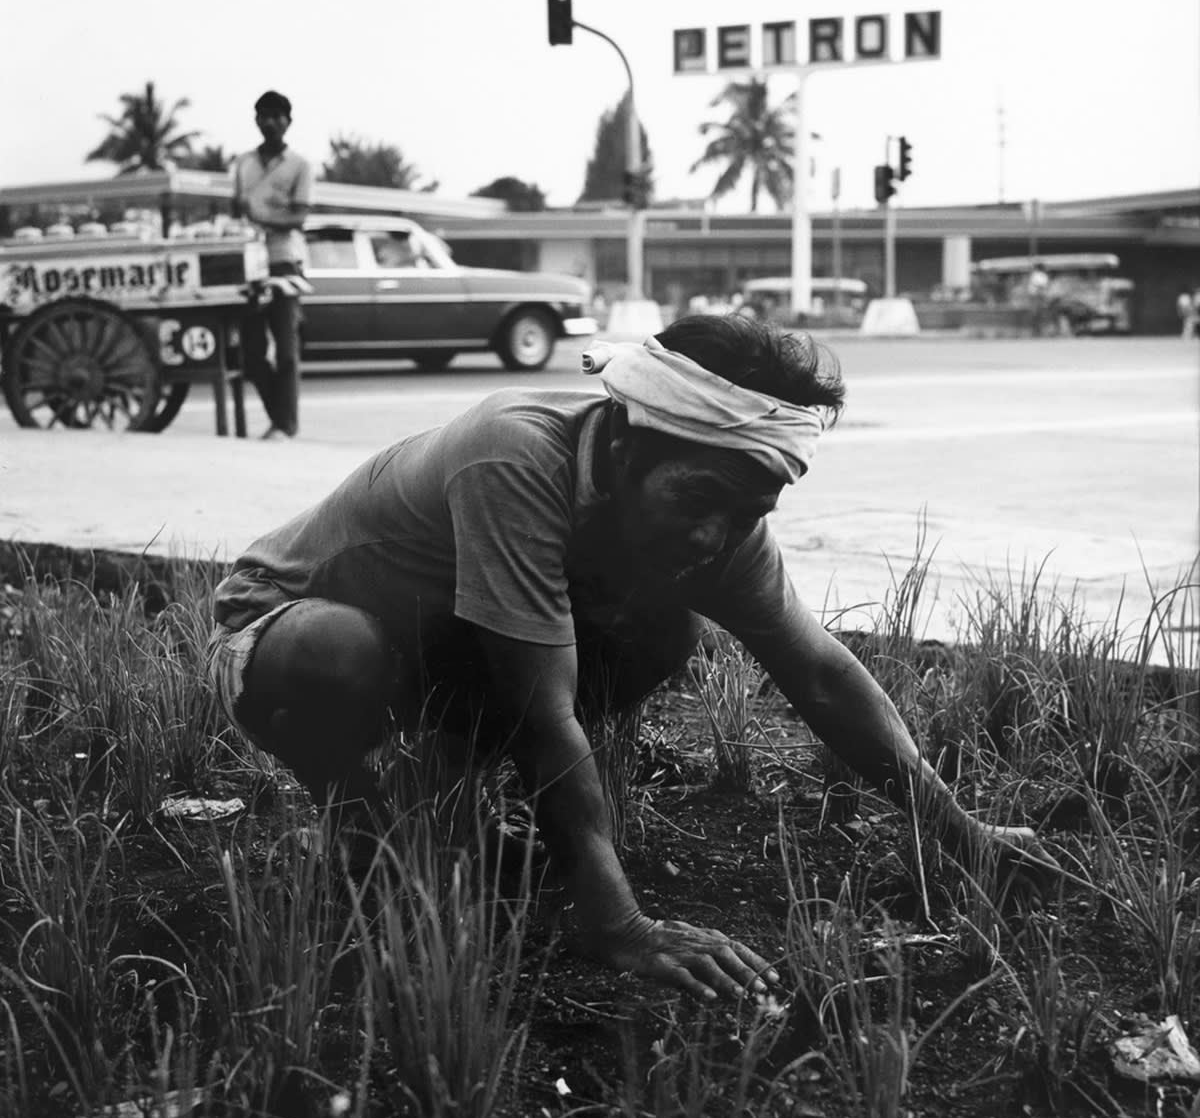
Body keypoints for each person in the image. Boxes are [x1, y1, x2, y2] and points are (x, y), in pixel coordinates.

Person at [207, 315, 1055, 1001]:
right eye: (697, 499)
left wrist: (958, 828)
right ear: (621, 440)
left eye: (745, 511)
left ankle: (443, 798)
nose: (711, 535)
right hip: (281, 623)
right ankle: (366, 821)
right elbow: (544, 709)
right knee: (349, 653)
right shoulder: (515, 454)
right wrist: (619, 922)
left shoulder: (721, 516)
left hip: (439, 637)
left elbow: (820, 671)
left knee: (662, 633)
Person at [231, 90, 313, 439]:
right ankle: (279, 417)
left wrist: (261, 215)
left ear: (288, 122)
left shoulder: (301, 165)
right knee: (250, 352)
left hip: (284, 261)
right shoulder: (242, 163)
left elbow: (298, 216)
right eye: (264, 115)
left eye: (277, 116)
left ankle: (285, 424)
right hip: (248, 263)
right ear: (256, 120)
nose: (270, 122)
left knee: (285, 348)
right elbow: (235, 210)